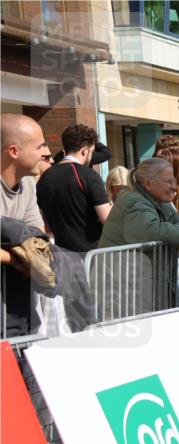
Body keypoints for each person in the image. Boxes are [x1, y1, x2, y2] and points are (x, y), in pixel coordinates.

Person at [1, 113, 49, 335]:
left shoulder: (28, 183)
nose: (45, 153)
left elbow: (35, 234)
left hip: (18, 302)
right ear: (14, 151)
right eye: (40, 146)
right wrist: (17, 258)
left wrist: (26, 256)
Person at [100, 158, 179, 249]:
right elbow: (155, 232)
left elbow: (178, 221)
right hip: (121, 271)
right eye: (168, 181)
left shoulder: (157, 198)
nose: (174, 187)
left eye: (174, 180)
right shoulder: (134, 202)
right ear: (148, 184)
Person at [36, 124, 112, 252]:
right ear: (85, 151)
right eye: (92, 151)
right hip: (92, 254)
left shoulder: (45, 177)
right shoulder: (88, 175)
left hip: (60, 253)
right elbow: (107, 219)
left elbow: (45, 225)